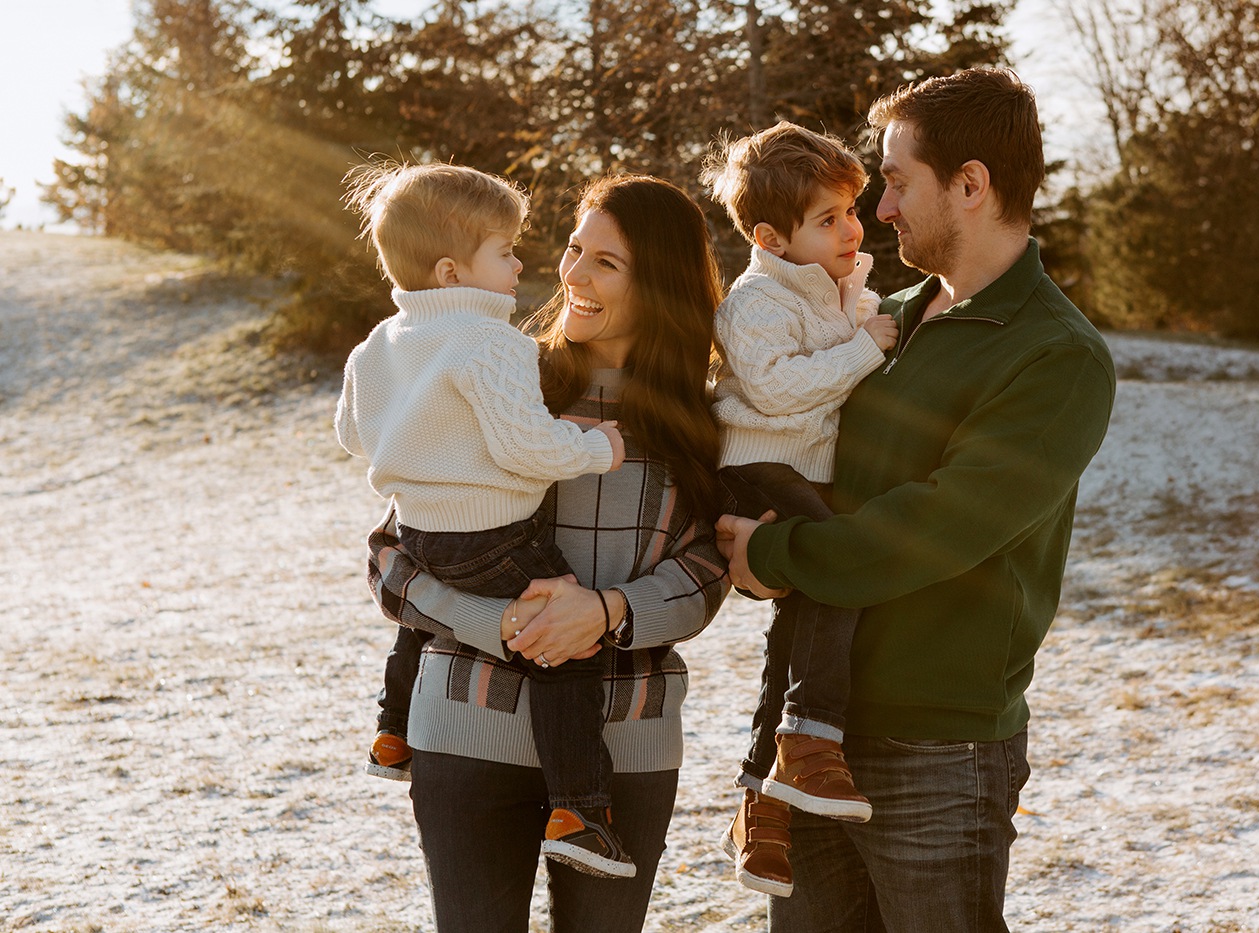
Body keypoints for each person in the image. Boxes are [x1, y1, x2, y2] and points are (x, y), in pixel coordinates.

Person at [717, 69, 1117, 932]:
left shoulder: (1056, 356)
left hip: (938, 747)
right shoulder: (881, 319)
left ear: (970, 185)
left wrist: (773, 556)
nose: (882, 209)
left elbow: (934, 529)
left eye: (897, 181)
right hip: (811, 735)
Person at [363, 174, 730, 932]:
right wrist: (494, 619)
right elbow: (394, 556)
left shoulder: (705, 416)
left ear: (659, 284)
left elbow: (708, 569)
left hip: (625, 742)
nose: (572, 275)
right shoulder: (499, 372)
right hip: (468, 723)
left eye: (607, 262)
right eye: (572, 248)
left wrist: (606, 611)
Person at [335, 161, 632, 875]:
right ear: (450, 270)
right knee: (564, 640)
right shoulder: (492, 341)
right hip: (495, 532)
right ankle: (580, 808)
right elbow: (528, 446)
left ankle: (393, 729)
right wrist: (598, 446)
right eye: (503, 250)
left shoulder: (380, 342)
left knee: (420, 617)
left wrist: (420, 442)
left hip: (416, 529)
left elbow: (351, 432)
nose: (519, 262)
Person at [699, 122, 899, 898]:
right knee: (835, 564)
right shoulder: (754, 303)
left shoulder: (842, 287)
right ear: (770, 237)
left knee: (799, 624)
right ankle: (810, 739)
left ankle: (761, 794)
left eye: (853, 210)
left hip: (805, 472)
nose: (853, 228)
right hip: (757, 466)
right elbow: (779, 389)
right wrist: (864, 346)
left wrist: (861, 320)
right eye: (828, 220)